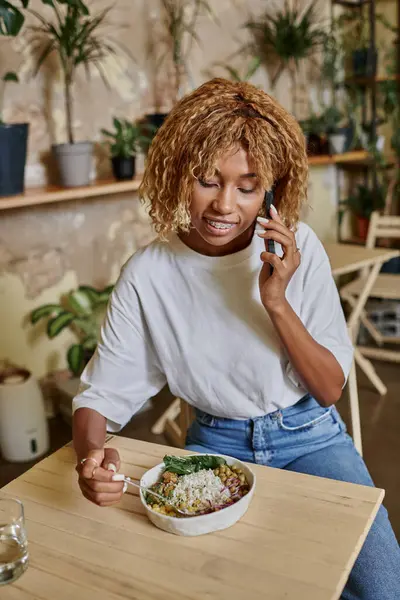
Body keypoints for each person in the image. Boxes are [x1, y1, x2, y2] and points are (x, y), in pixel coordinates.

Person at [72, 78, 400, 599]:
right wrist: (90, 457)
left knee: (381, 585)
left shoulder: (297, 249)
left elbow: (331, 388)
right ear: (181, 175)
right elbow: (101, 396)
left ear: (270, 188)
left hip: (311, 436)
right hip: (216, 447)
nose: (225, 205)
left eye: (247, 187)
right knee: (221, 586)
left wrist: (276, 300)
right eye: (208, 180)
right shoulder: (148, 274)